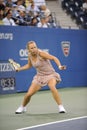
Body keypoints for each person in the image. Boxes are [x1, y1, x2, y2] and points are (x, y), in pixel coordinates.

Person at [15, 41, 66, 114]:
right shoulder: (30, 56)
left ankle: (61, 107)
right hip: (40, 76)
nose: (34, 49)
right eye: (32, 48)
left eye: (35, 47)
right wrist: (19, 69)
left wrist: (59, 66)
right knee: (29, 94)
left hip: (50, 74)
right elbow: (29, 66)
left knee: (52, 86)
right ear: (29, 50)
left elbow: (54, 58)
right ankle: (22, 107)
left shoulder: (41, 54)